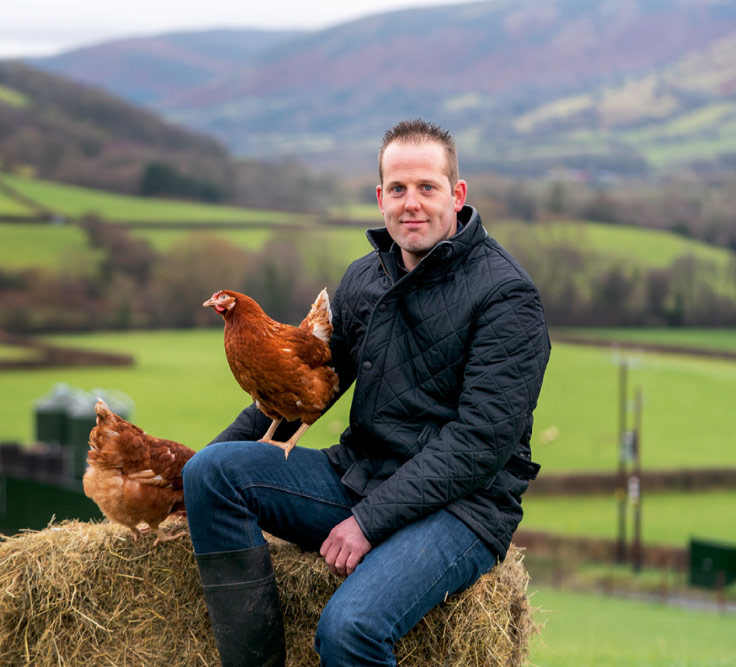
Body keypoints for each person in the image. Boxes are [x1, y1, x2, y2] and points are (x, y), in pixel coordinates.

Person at [182, 119, 551, 666]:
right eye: (398, 189)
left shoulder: (507, 297)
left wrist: (368, 523)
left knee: (349, 629)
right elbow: (308, 388)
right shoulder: (366, 279)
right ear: (380, 198)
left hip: (462, 508)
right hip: (359, 474)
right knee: (207, 474)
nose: (412, 204)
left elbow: (481, 443)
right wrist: (185, 479)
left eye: (428, 187)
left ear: (458, 194)